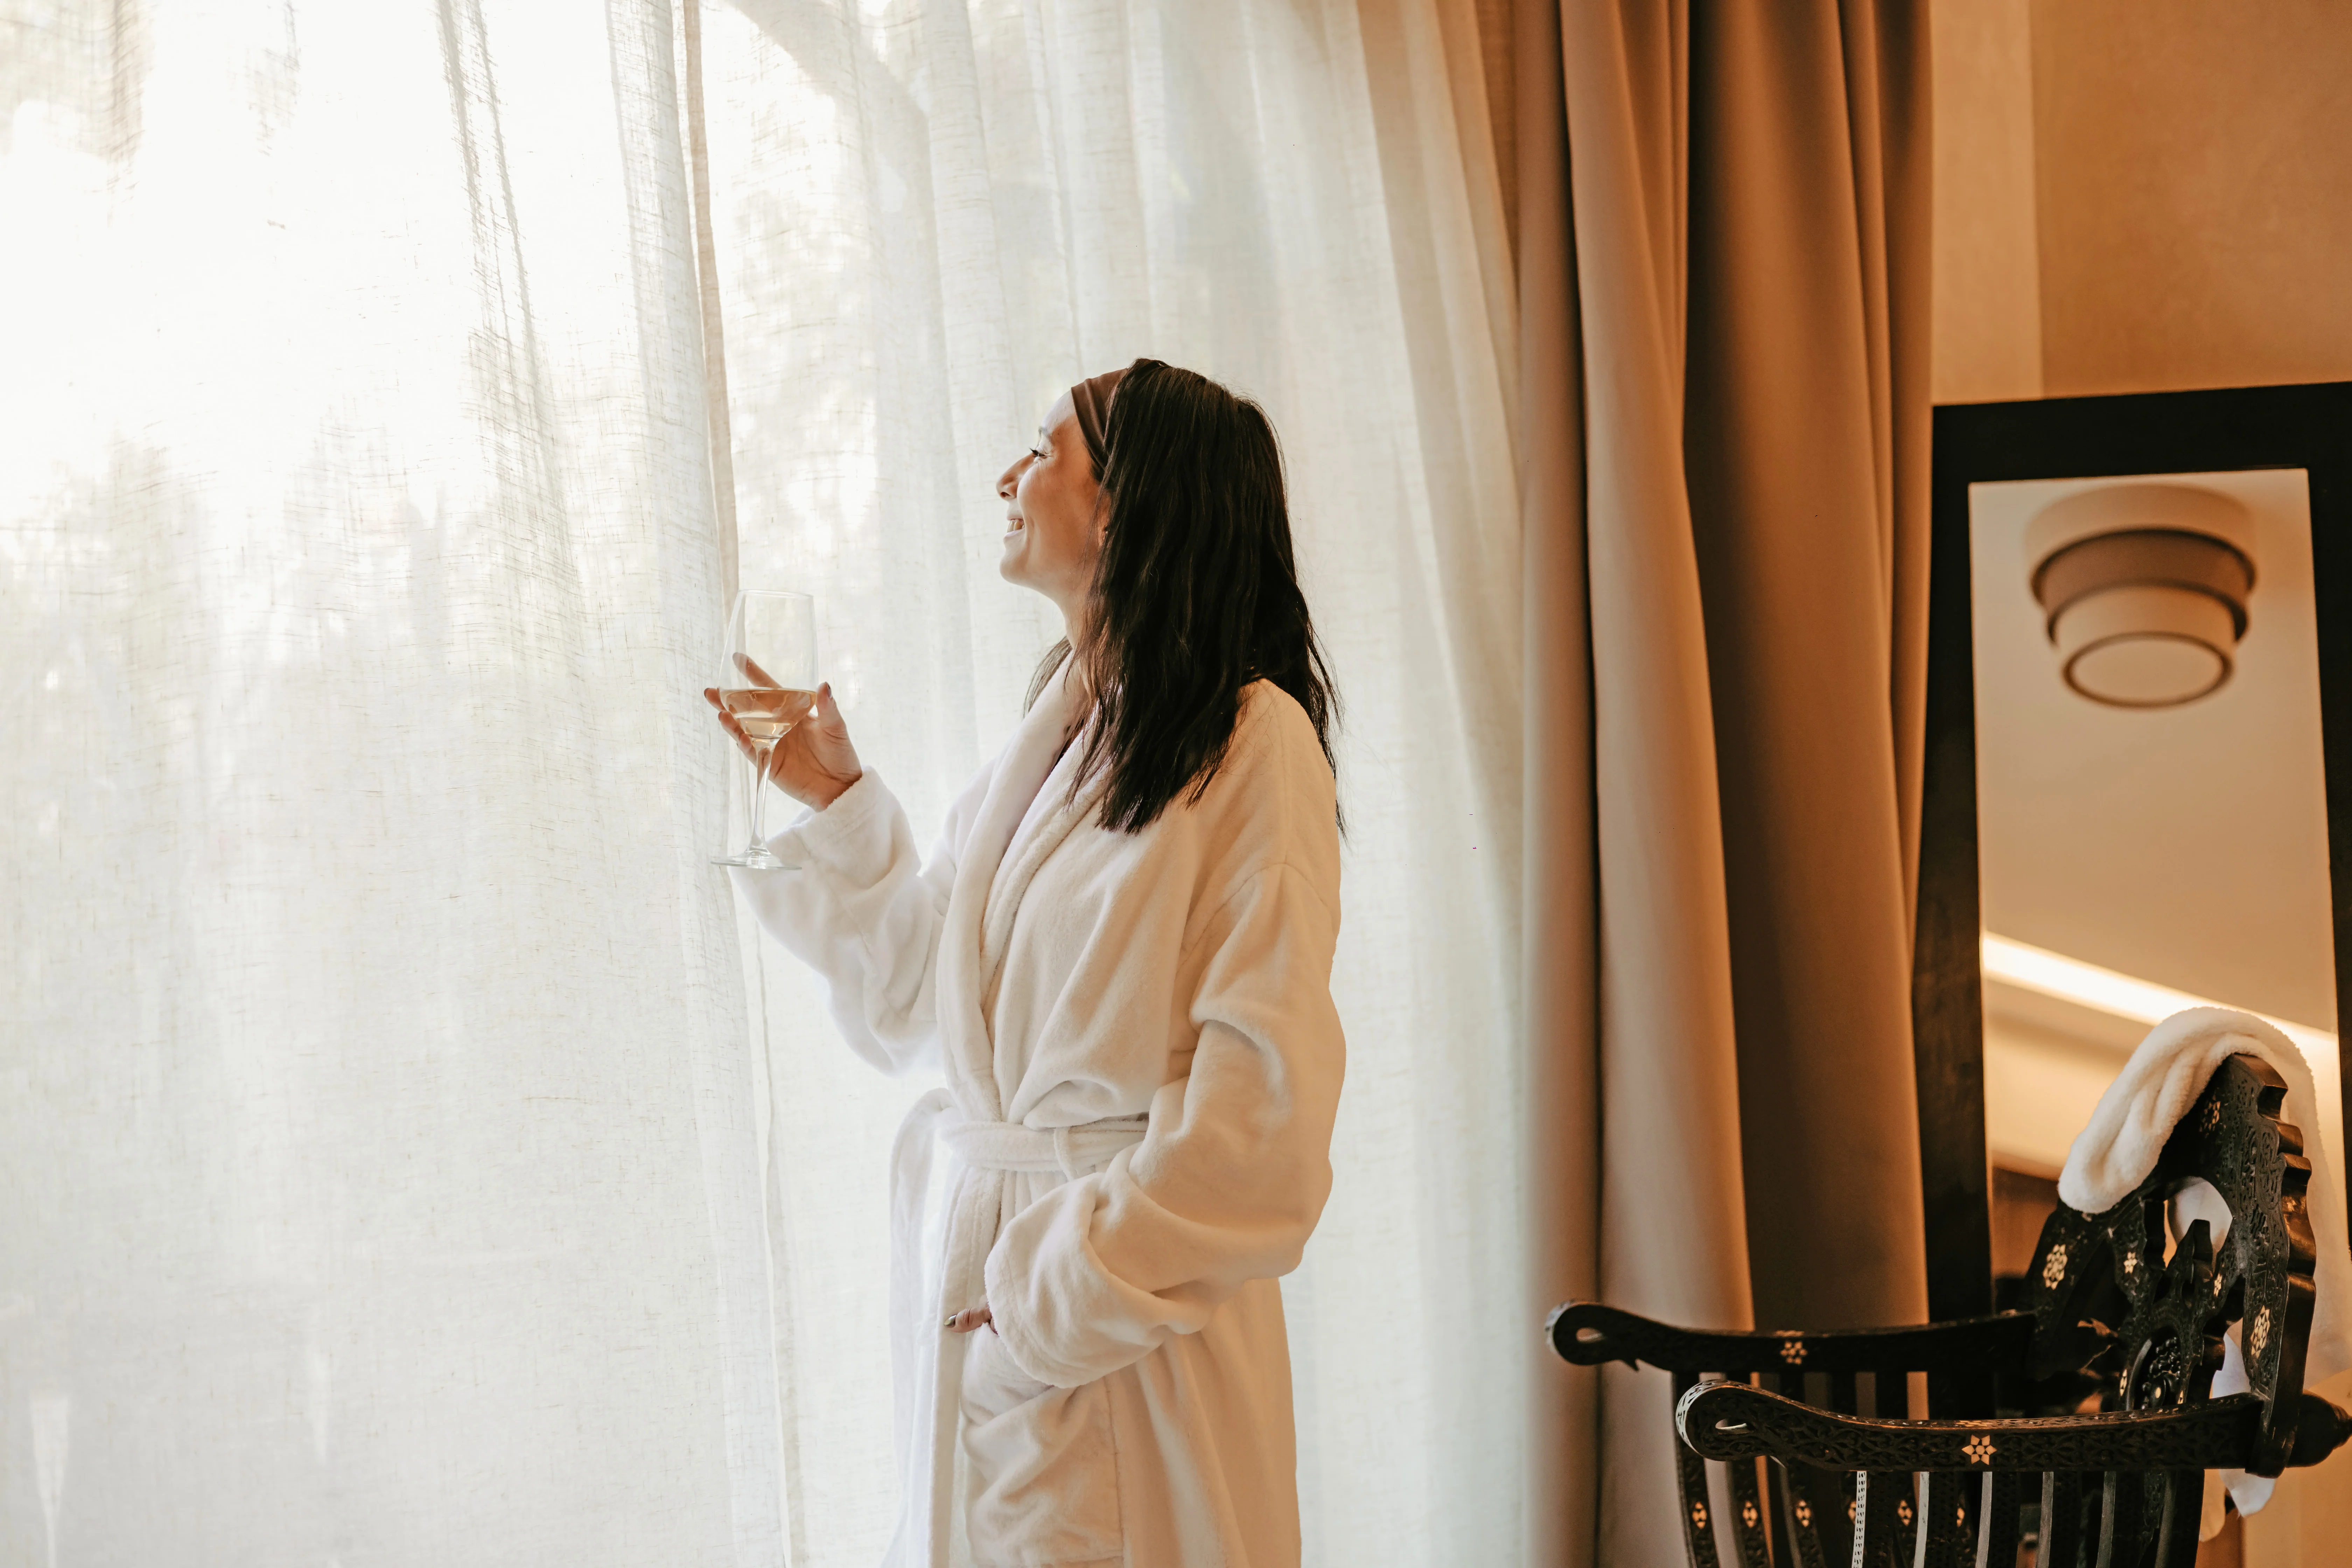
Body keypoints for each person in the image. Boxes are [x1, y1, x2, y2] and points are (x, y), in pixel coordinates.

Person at [707, 359, 1346, 1567]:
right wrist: (839, 802)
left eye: (1044, 449)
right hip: (1001, 1305)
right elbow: (915, 1004)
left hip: (1113, 1331)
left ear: (1128, 503)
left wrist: (1044, 1307)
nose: (1009, 476)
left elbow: (1261, 1126)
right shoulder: (1059, 738)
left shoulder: (1253, 741)